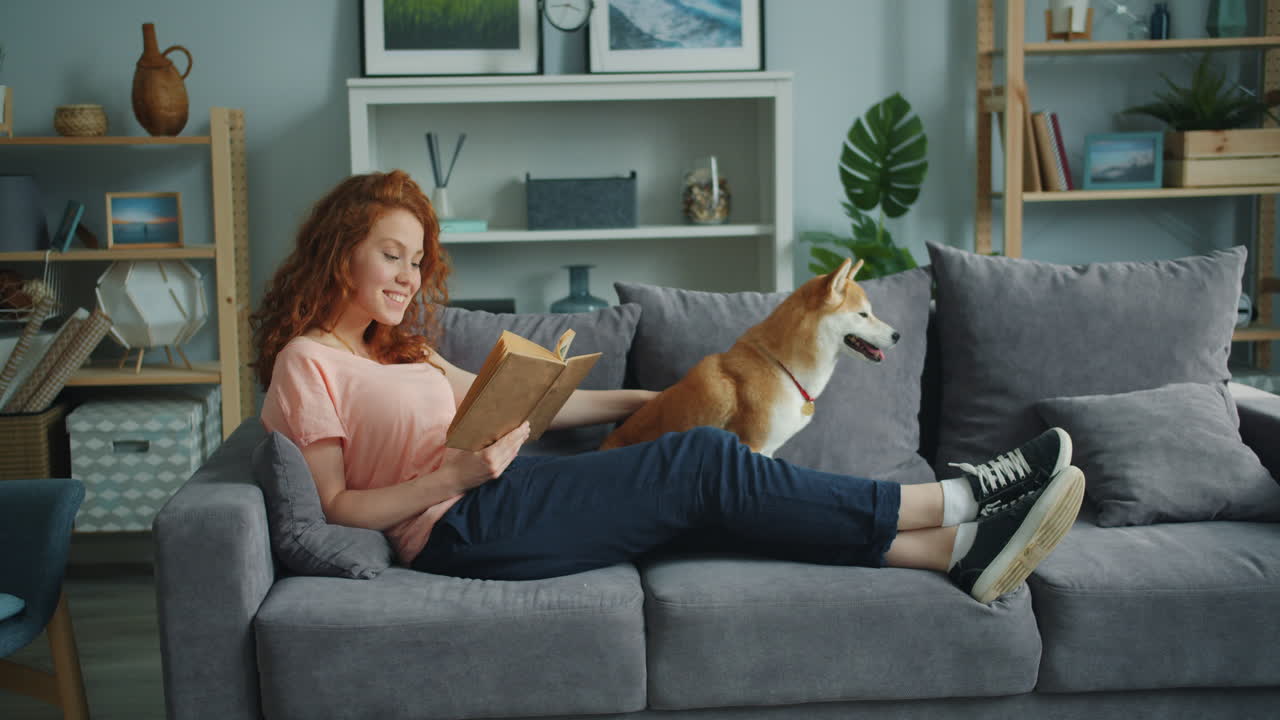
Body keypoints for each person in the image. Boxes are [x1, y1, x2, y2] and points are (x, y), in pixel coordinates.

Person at [251, 170, 1085, 605]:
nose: (409, 275)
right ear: (340, 250)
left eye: (416, 260)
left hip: (504, 490)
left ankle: (950, 552)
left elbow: (533, 404)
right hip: (457, 527)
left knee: (710, 491)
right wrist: (451, 478)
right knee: (703, 461)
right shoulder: (308, 363)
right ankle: (956, 498)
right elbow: (334, 507)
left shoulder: (407, 352)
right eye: (391, 255)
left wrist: (645, 399)